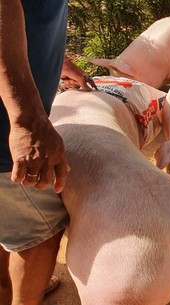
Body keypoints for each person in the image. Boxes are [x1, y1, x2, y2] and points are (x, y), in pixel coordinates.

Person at [1, 0, 92, 304]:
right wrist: (25, 117)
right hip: (5, 129)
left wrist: (58, 62)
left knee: (8, 218)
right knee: (39, 232)